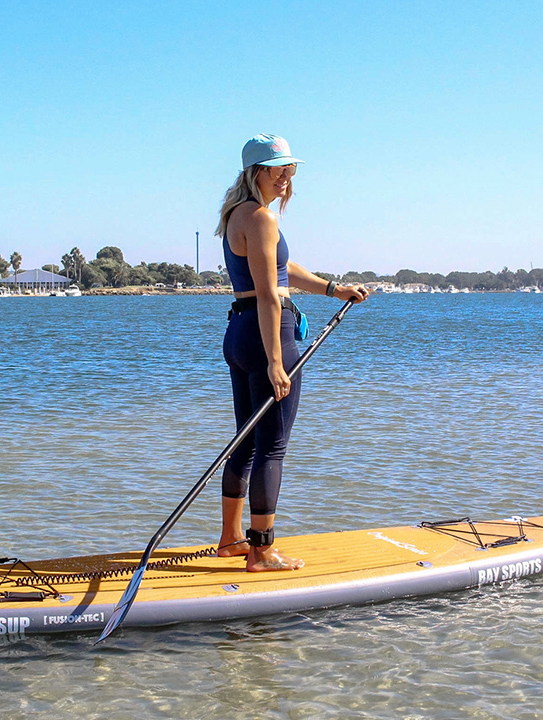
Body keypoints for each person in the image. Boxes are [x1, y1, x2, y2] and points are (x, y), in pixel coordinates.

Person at [215, 134, 370, 571]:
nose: (286, 177)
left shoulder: (237, 214)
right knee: (272, 448)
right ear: (255, 173)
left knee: (245, 441)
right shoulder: (261, 218)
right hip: (268, 333)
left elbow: (282, 269)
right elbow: (269, 294)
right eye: (277, 169)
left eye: (290, 169)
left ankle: (230, 539)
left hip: (238, 333)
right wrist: (277, 363)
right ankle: (261, 551)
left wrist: (333, 289)